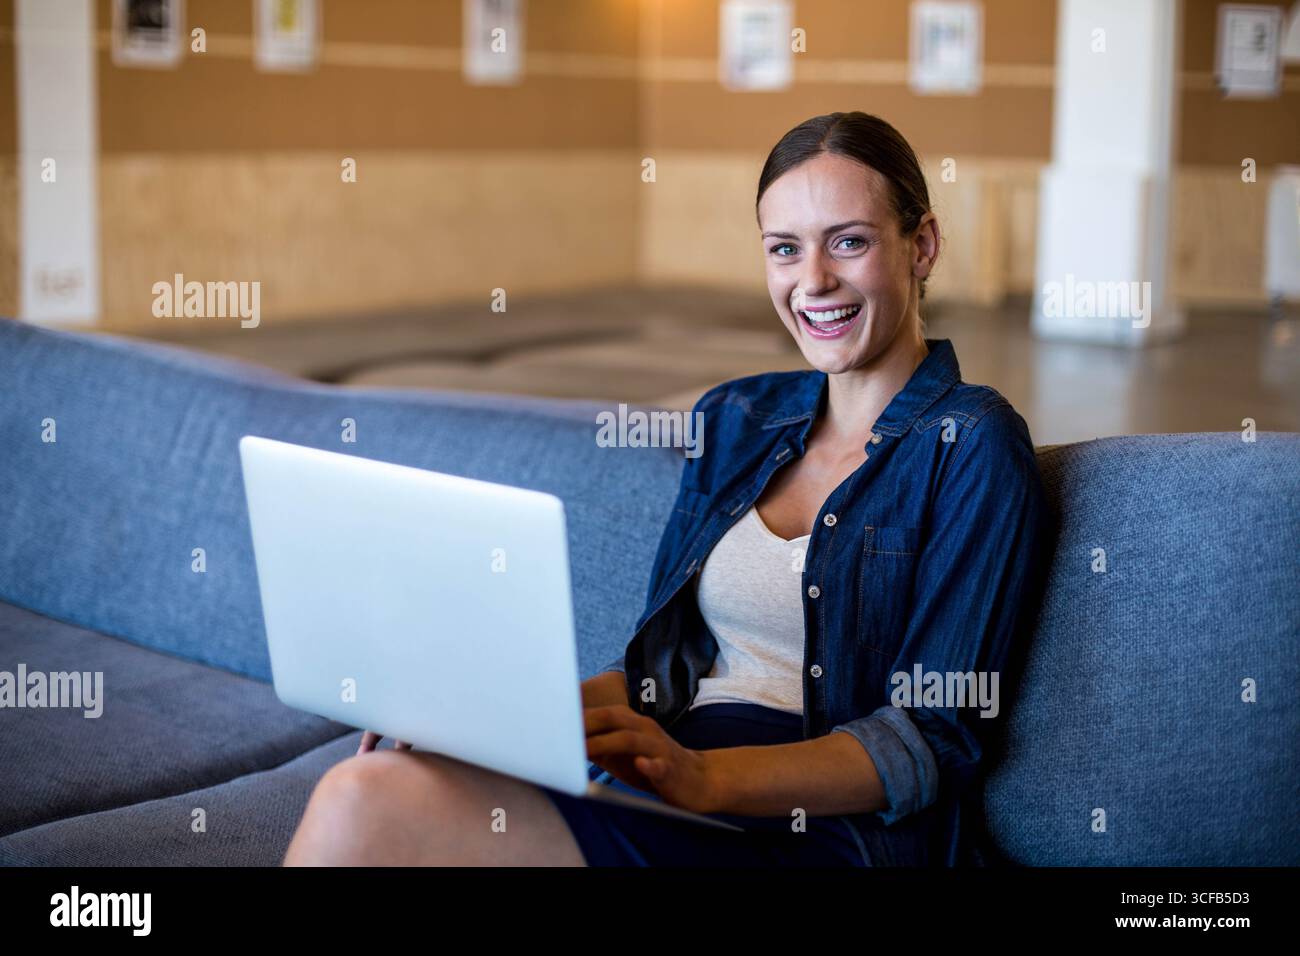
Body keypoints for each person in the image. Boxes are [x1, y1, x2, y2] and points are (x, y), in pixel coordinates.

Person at [282, 111, 1054, 867]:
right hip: (668, 780)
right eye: (784, 250)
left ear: (922, 245)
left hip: (831, 829)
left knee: (366, 805)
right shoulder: (737, 417)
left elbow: (932, 737)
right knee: (381, 780)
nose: (813, 281)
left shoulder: (972, 443)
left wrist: (704, 779)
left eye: (847, 243)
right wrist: (483, 719)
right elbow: (659, 676)